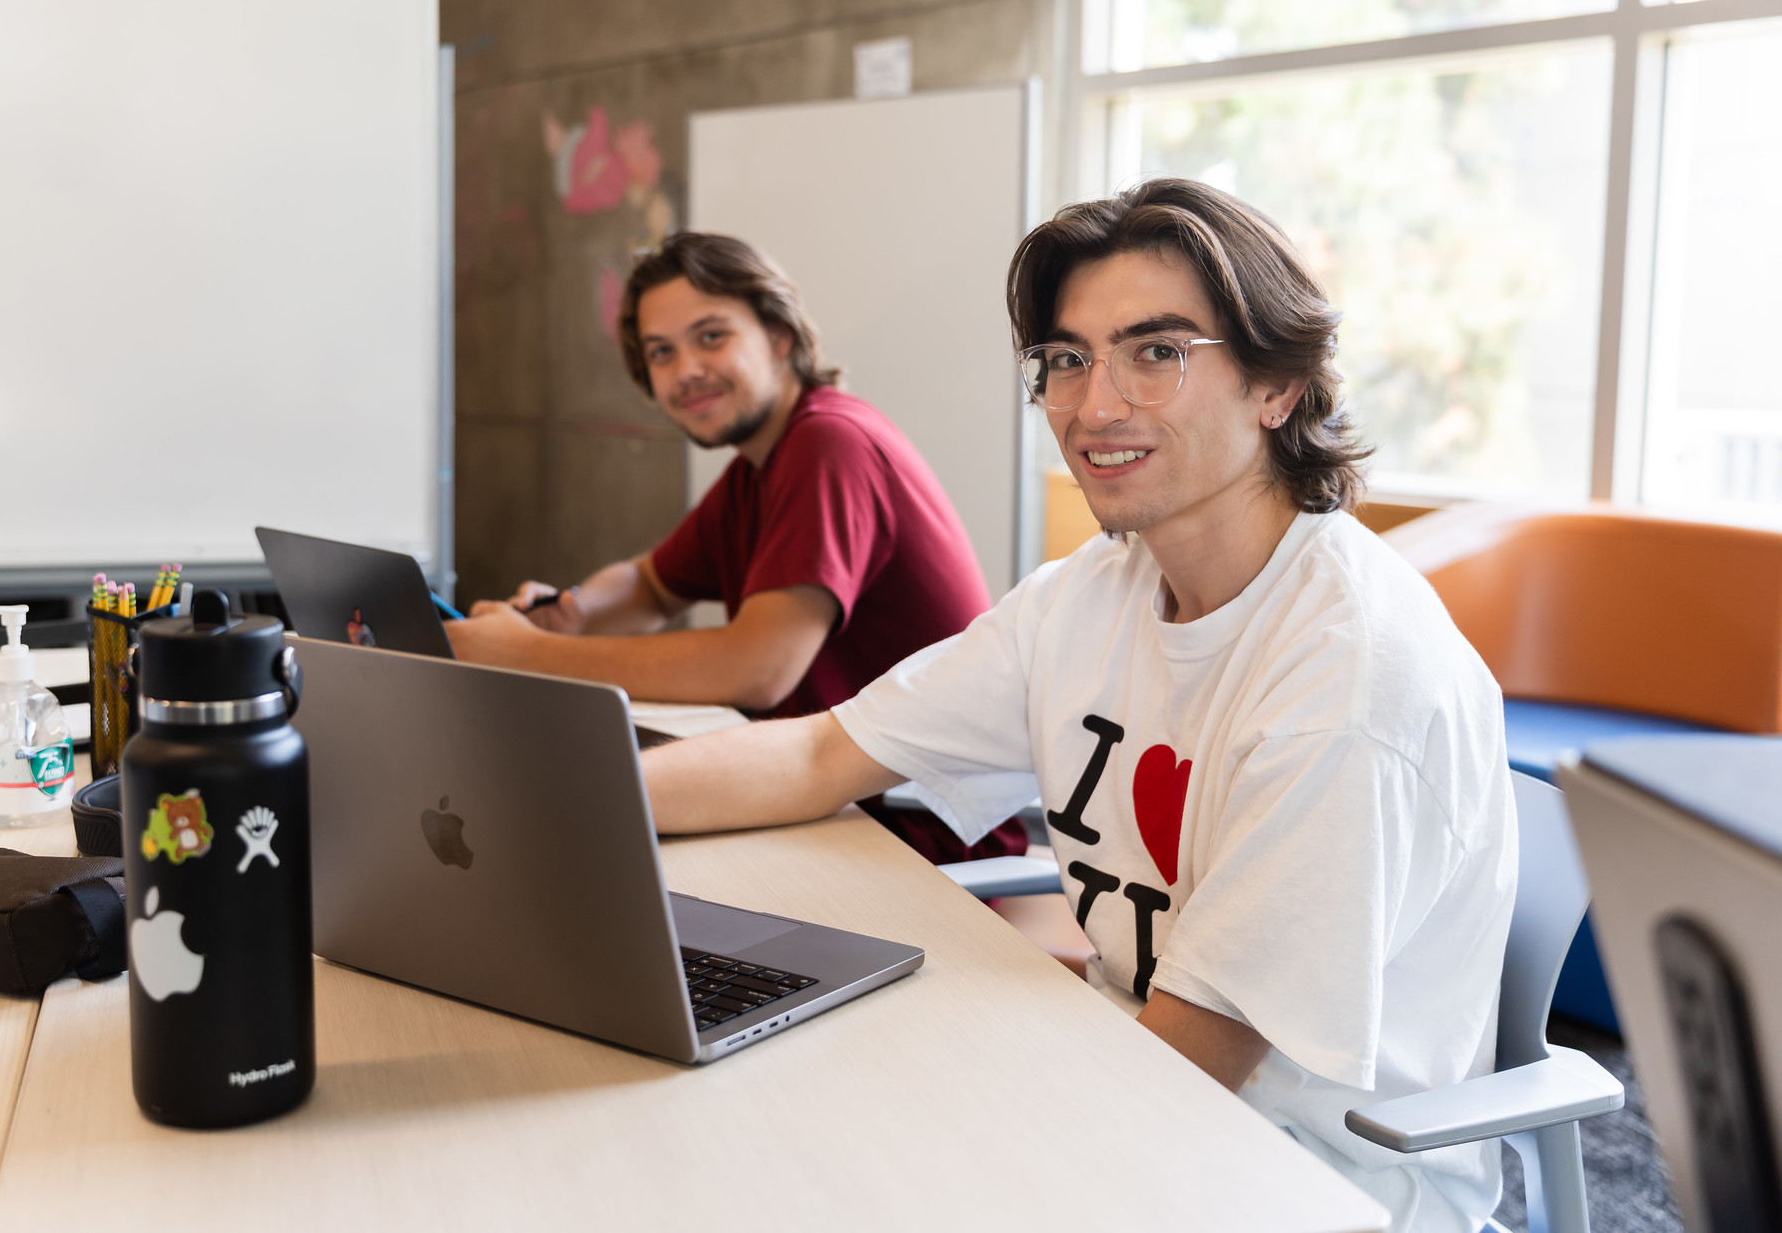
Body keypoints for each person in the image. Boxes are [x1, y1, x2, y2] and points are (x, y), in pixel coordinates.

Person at [635, 182, 1517, 1233]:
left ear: (1275, 384)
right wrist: (559, 806)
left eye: (1156, 353)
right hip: (1124, 1069)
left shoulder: (1344, 679)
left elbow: (1198, 1062)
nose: (1093, 407)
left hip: (1306, 1170)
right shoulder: (1091, 592)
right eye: (1065, 360)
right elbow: (820, 754)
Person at [445, 231, 1027, 864]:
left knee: (561, 852)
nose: (686, 370)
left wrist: (533, 654)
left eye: (711, 336)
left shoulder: (830, 445)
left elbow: (757, 667)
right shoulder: (759, 468)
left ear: (779, 335)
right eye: (661, 352)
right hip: (830, 813)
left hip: (915, 849)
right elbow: (649, 584)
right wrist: (577, 611)